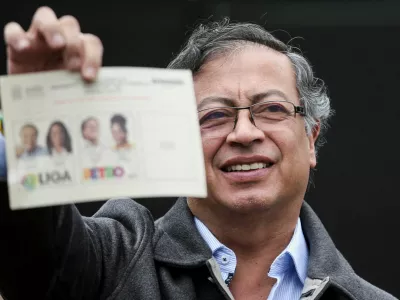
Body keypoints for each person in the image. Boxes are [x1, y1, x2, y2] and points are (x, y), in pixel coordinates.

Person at [0, 6, 396, 300]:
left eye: (272, 109)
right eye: (214, 116)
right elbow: (37, 262)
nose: (244, 133)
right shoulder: (115, 260)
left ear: (311, 139)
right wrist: (33, 123)